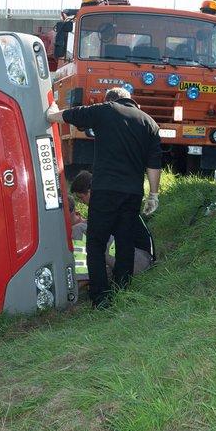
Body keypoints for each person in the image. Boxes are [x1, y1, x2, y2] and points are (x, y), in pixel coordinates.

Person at [47, 87, 161, 308]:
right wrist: (153, 195)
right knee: (125, 242)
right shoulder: (149, 123)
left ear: (110, 100)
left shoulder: (106, 110)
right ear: (131, 101)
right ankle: (121, 291)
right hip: (133, 193)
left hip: (106, 191)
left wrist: (52, 114)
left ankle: (100, 298)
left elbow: (74, 114)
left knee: (96, 243)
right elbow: (154, 164)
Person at [69, 170, 155, 278]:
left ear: (91, 191)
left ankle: (81, 278)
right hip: (134, 258)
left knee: (80, 230)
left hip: (140, 260)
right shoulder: (111, 201)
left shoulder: (110, 204)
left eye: (81, 197)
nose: (81, 202)